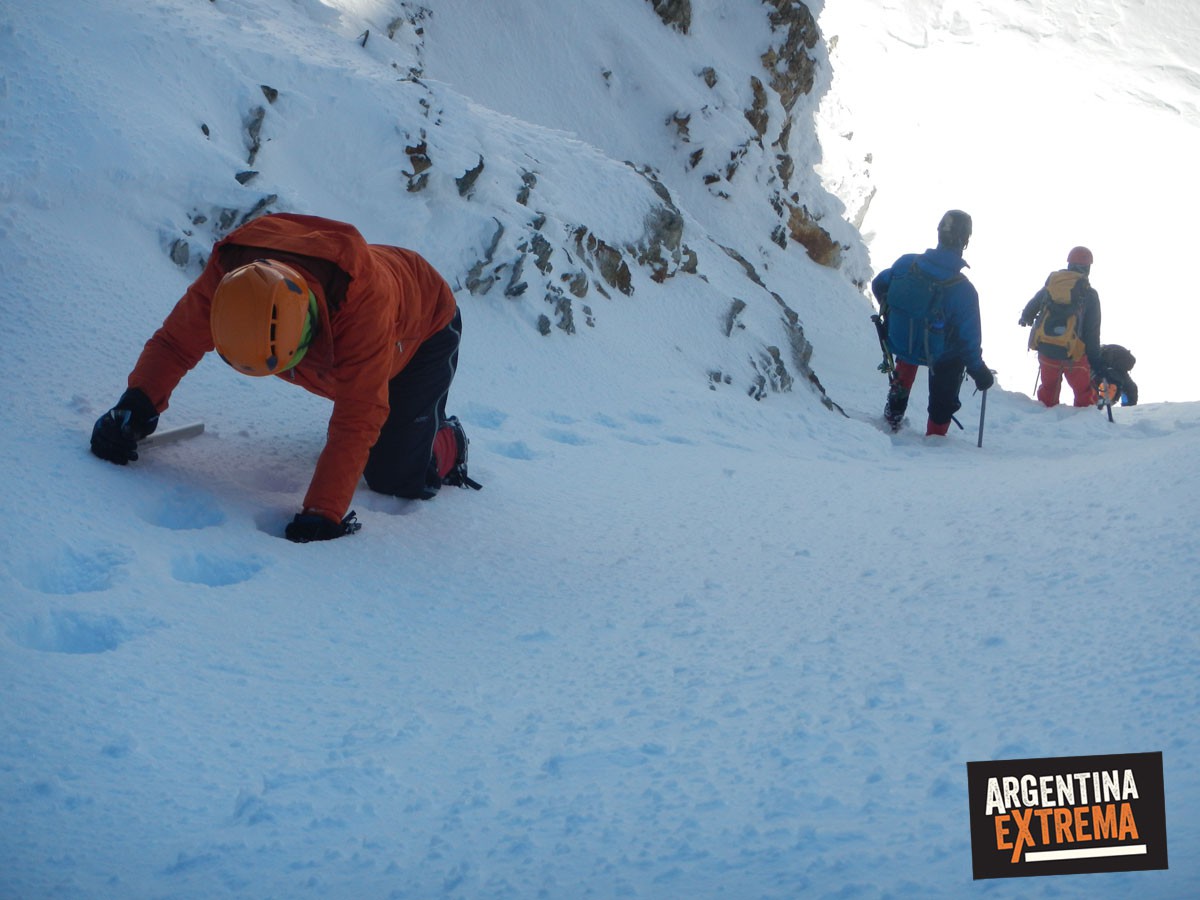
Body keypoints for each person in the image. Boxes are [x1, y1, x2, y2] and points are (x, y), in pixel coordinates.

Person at [90, 212, 479, 543]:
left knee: (395, 477)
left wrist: (324, 512)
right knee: (365, 418)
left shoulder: (364, 308)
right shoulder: (233, 280)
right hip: (342, 305)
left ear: (307, 329)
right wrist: (135, 406)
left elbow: (358, 416)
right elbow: (176, 342)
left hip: (421, 329)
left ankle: (448, 441)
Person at [872, 209, 994, 435]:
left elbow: (879, 285)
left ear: (939, 234)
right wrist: (979, 372)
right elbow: (969, 342)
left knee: (910, 348)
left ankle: (892, 415)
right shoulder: (963, 290)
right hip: (939, 355)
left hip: (902, 343)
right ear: (965, 241)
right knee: (951, 361)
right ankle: (936, 436)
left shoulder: (906, 264)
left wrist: (894, 314)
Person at [1019, 246, 1102, 408]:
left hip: (1047, 350)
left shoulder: (1052, 285)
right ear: (1088, 268)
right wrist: (1095, 360)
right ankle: (1084, 421)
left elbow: (1032, 306)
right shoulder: (1090, 294)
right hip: (1074, 355)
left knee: (1048, 392)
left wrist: (1025, 318)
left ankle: (1045, 418)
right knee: (1084, 395)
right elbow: (1092, 331)